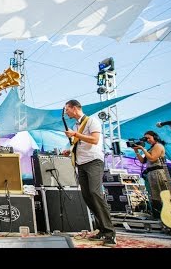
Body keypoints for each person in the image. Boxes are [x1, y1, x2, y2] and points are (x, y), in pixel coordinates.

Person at [62, 99, 116, 247]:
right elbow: (80, 143)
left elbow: (94, 139)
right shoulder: (76, 125)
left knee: (95, 193)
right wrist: (70, 149)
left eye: (67, 109)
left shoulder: (92, 121)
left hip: (93, 162)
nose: (66, 112)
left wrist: (75, 134)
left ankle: (110, 233)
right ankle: (102, 230)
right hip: (81, 163)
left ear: (74, 108)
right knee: (87, 196)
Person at [132, 130, 169, 219]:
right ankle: (157, 215)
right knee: (154, 195)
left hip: (158, 172)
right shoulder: (151, 148)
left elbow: (152, 158)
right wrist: (137, 152)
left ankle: (165, 215)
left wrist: (143, 149)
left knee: (161, 194)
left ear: (155, 137)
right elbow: (142, 161)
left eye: (149, 138)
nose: (147, 140)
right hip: (151, 173)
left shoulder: (158, 146)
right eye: (146, 138)